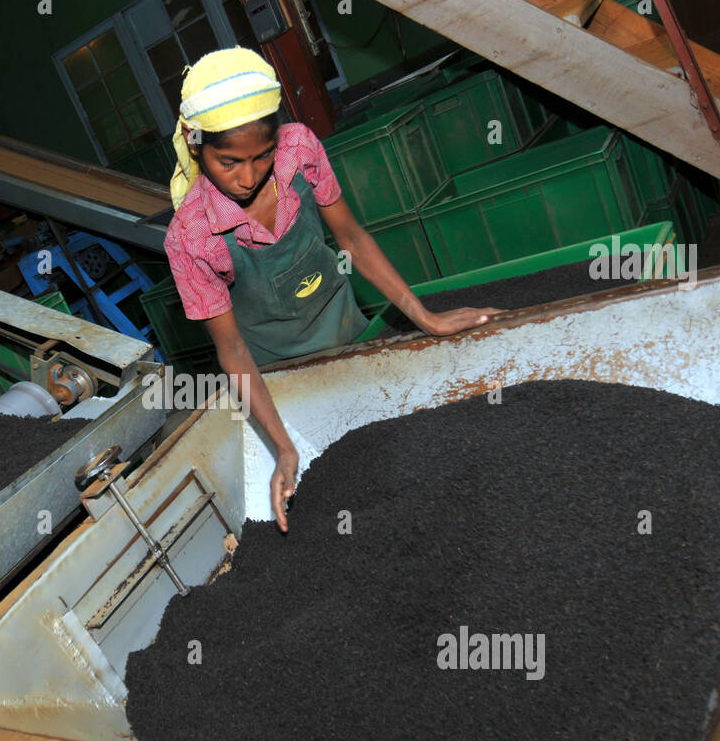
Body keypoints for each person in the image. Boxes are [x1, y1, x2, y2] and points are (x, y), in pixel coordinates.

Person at [164, 47, 499, 533]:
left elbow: (352, 239)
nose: (249, 176)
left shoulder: (298, 149)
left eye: (261, 156)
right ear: (196, 146)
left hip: (346, 326)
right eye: (228, 161)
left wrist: (425, 317)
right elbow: (232, 349)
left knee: (412, 457)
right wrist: (283, 446)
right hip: (280, 376)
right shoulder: (190, 236)